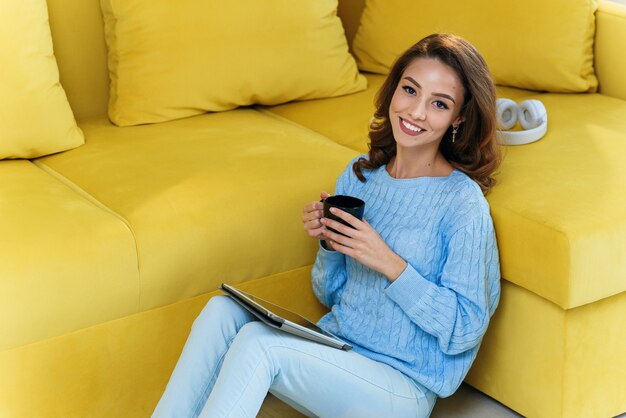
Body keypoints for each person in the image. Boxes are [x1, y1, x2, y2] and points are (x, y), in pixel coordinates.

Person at [152, 33, 501, 418]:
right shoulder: (359, 177)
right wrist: (330, 244)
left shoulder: (461, 202)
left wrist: (390, 263)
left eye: (439, 103)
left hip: (403, 385)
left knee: (259, 345)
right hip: (339, 350)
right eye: (410, 90)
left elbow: (467, 328)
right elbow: (329, 292)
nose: (416, 112)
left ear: (460, 117)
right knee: (220, 313)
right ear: (393, 90)